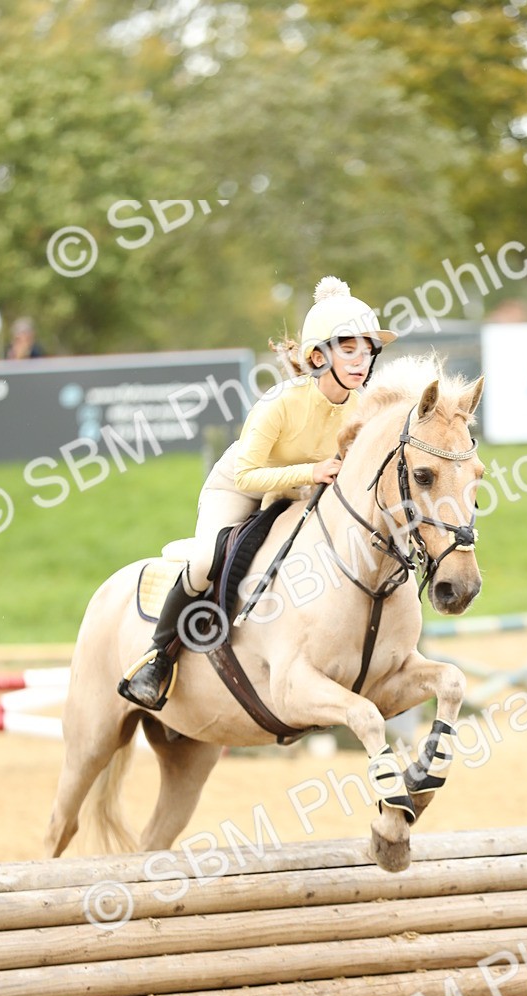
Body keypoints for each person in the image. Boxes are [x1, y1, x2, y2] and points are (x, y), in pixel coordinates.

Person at [120, 276, 397, 709]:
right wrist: (312, 471)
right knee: (205, 561)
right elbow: (248, 475)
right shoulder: (281, 401)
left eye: (367, 350)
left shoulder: (364, 408)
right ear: (318, 356)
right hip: (238, 486)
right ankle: (158, 658)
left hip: (300, 493)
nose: (361, 360)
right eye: (349, 349)